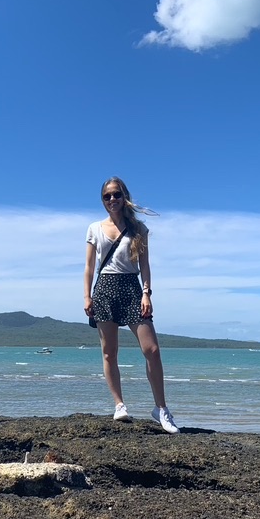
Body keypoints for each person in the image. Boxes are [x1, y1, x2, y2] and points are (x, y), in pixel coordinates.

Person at [83, 177, 180, 433]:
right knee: (109, 352)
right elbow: (89, 268)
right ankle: (119, 405)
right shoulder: (94, 228)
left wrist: (146, 293)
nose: (111, 200)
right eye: (107, 196)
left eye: (116, 195)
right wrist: (86, 296)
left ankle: (161, 408)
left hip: (132, 288)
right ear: (102, 200)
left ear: (124, 196)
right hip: (105, 288)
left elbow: (145, 265)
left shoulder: (139, 229)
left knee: (152, 350)